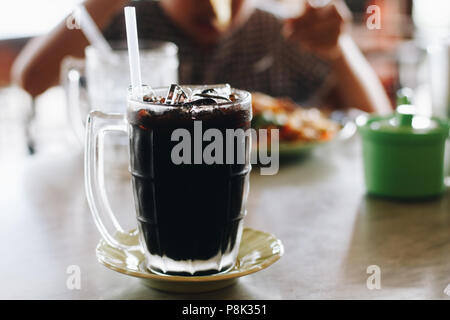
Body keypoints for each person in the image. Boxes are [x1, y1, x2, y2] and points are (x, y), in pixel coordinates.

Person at [11, 0, 392, 114]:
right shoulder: (124, 21)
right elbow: (29, 79)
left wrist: (339, 51)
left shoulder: (276, 32)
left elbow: (377, 119)